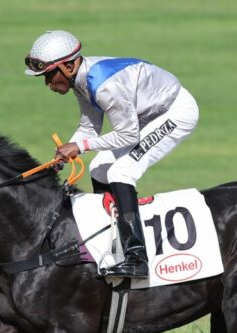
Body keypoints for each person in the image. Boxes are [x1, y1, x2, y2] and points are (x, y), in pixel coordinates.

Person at [24, 30, 199, 279]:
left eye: (49, 74)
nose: (47, 83)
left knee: (121, 171)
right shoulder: (81, 81)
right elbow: (88, 128)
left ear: (69, 66)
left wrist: (80, 147)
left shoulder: (104, 86)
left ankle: (136, 257)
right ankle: (113, 244)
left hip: (175, 112)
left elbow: (128, 136)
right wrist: (66, 152)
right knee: (99, 168)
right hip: (147, 115)